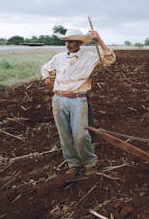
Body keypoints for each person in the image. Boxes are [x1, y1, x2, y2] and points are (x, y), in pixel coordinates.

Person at [41, 28, 116, 178]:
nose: (68, 44)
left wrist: (99, 40)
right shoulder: (58, 58)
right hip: (58, 99)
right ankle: (73, 164)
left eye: (72, 41)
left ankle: (89, 163)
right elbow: (45, 68)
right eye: (67, 41)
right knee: (65, 135)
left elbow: (110, 59)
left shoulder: (89, 57)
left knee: (81, 134)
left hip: (78, 99)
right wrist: (47, 79)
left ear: (79, 43)